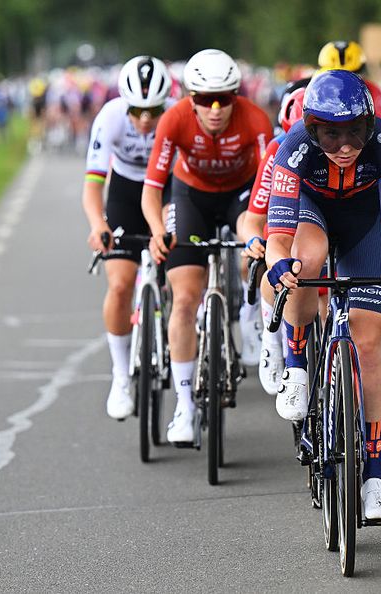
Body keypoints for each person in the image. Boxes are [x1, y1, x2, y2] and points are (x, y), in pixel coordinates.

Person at [265, 69, 381, 521]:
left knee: (368, 346)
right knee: (304, 260)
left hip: (364, 224)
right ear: (312, 128)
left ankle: (373, 476)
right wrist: (279, 264)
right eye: (331, 135)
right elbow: (278, 234)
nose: (346, 146)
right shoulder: (293, 147)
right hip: (313, 214)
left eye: (355, 132)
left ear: (370, 125)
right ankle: (295, 367)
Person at [142, 49, 274, 444]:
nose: (214, 109)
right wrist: (156, 229)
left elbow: (271, 179)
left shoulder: (254, 119)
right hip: (191, 197)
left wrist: (263, 232)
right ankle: (185, 405)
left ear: (237, 95)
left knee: (254, 250)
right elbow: (152, 188)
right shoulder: (174, 119)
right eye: (203, 99)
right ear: (190, 98)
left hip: (242, 194)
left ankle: (250, 315)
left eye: (224, 99)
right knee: (183, 300)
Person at [81, 56, 175, 420]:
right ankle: (120, 376)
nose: (146, 119)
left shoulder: (176, 118)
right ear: (125, 103)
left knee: (183, 275)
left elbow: (184, 182)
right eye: (138, 110)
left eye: (154, 109)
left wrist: (167, 227)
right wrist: (97, 224)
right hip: (123, 192)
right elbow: (92, 186)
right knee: (119, 285)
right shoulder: (110, 118)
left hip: (166, 190)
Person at [241, 85, 307, 393]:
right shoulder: (277, 149)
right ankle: (271, 338)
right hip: (286, 210)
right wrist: (255, 240)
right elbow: (255, 215)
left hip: (330, 210)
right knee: (280, 258)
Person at [317, 40, 381, 126]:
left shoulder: (372, 90)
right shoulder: (311, 91)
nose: (342, 86)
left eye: (350, 77)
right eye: (335, 78)